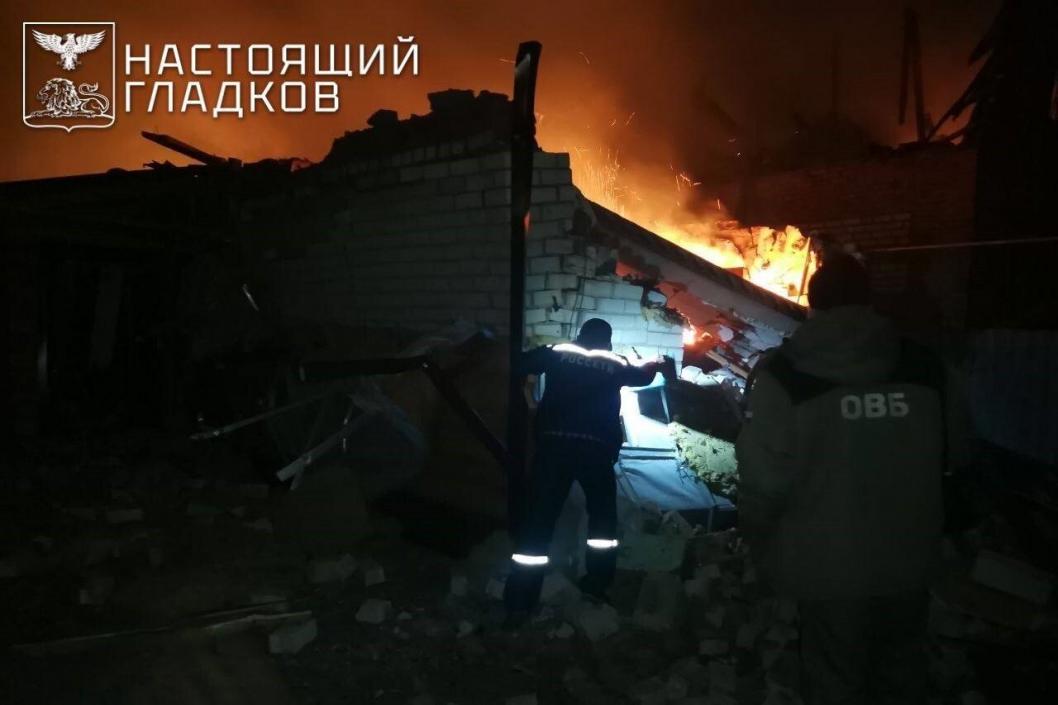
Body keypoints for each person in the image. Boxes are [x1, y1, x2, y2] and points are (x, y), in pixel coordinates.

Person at [736, 254, 948, 705]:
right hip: (911, 561)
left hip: (829, 568)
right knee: (901, 679)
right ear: (870, 300)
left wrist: (758, 540)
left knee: (836, 681)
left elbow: (764, 481)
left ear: (812, 304)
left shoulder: (786, 375)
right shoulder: (926, 368)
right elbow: (958, 457)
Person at [503, 318, 674, 625]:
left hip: (554, 448)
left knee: (539, 521)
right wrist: (656, 363)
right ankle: (596, 586)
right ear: (607, 341)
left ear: (580, 336)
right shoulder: (615, 362)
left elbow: (520, 364)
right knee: (602, 524)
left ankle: (520, 600)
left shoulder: (558, 352)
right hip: (595, 452)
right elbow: (643, 377)